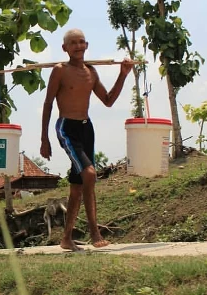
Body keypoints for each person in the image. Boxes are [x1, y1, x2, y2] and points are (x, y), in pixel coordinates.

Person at [40, 28, 133, 251]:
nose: (78, 46)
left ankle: (66, 238)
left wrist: (123, 74)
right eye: (73, 43)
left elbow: (108, 100)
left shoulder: (91, 72)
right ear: (65, 48)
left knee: (77, 186)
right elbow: (48, 103)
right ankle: (94, 232)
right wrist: (44, 138)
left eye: (81, 42)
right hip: (66, 128)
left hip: (86, 128)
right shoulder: (59, 71)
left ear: (87, 45)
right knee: (89, 174)